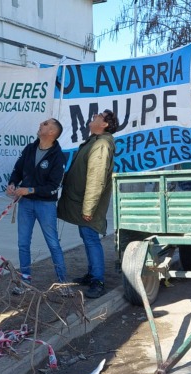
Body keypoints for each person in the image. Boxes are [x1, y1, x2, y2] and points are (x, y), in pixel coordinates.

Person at [6, 118, 72, 297]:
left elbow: (53, 186)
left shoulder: (58, 156)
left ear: (52, 132)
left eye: (45, 124)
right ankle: (25, 282)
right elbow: (17, 171)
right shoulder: (29, 149)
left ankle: (63, 282)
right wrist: (12, 184)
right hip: (25, 204)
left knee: (53, 243)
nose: (41, 124)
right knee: (23, 244)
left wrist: (29, 189)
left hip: (45, 205)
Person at [57, 109, 117, 299]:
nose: (93, 118)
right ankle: (92, 274)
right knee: (87, 236)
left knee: (90, 238)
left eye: (97, 117)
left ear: (105, 124)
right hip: (83, 201)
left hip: (89, 204)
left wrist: (89, 208)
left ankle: (97, 280)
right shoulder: (95, 142)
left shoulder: (101, 145)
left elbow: (96, 178)